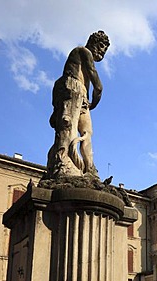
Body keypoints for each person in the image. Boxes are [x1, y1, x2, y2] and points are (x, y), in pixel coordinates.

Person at [47, 30, 110, 178]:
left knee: (87, 133)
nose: (102, 51)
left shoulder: (85, 56)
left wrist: (88, 103)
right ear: (92, 42)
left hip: (82, 98)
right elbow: (97, 84)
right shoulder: (82, 51)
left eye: (105, 49)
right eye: (101, 46)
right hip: (73, 87)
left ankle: (89, 169)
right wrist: (95, 101)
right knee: (68, 126)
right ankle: (63, 162)